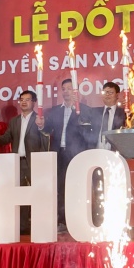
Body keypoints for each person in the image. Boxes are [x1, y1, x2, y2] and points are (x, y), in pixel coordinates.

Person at [0, 89, 51, 234]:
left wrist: (42, 126)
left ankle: (40, 224)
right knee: (21, 194)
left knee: (37, 194)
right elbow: (7, 138)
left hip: (35, 162)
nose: (23, 102)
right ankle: (23, 226)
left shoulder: (40, 119)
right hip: (18, 163)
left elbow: (47, 136)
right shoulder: (14, 121)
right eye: (21, 99)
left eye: (27, 99)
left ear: (34, 102)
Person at [43, 79, 94, 227]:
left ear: (76, 91)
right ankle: (62, 219)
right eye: (64, 89)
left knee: (77, 186)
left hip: (77, 154)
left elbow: (89, 132)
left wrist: (78, 111)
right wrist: (41, 126)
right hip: (59, 154)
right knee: (60, 186)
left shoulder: (85, 110)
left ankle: (78, 218)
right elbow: (47, 130)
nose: (66, 92)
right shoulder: (55, 111)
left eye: (69, 88)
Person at [95, 81, 127, 150]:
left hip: (115, 152)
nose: (107, 95)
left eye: (111, 93)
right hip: (95, 152)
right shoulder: (94, 112)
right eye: (105, 92)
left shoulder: (123, 113)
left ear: (117, 95)